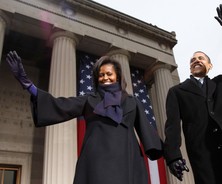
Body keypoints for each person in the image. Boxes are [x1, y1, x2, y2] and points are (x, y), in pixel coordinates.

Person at [6, 51, 163, 184]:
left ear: (118, 76)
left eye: (109, 74)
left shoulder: (132, 102)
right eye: (101, 75)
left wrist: (173, 158)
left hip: (128, 162)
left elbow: (148, 132)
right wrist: (27, 84)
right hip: (94, 164)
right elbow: (60, 105)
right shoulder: (89, 100)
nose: (105, 78)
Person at [163, 3, 222, 184]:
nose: (196, 60)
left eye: (201, 58)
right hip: (203, 155)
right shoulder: (177, 92)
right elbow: (172, 126)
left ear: (209, 66)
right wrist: (173, 155)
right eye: (192, 60)